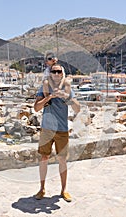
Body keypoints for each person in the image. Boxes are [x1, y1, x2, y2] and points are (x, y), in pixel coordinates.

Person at [34, 63, 80, 202]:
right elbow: (36, 108)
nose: (56, 73)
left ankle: (64, 190)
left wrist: (66, 97)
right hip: (47, 129)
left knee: (62, 160)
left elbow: (77, 108)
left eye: (58, 71)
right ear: (50, 73)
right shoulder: (44, 88)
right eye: (53, 71)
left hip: (62, 129)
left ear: (62, 73)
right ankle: (42, 189)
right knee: (44, 158)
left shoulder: (67, 89)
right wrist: (49, 97)